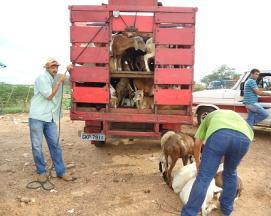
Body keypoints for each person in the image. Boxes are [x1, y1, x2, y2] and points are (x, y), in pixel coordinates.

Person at [181, 110, 254, 216]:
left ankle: (189, 213)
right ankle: (226, 209)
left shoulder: (208, 117)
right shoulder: (234, 116)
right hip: (245, 138)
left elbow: (197, 144)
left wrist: (198, 162)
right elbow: (231, 143)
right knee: (230, 173)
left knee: (204, 177)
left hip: (220, 135)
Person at [29, 58, 73, 183]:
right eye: (52, 67)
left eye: (56, 67)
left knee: (55, 145)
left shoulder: (56, 76)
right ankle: (41, 171)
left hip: (50, 117)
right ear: (46, 68)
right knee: (37, 146)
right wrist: (59, 82)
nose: (55, 69)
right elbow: (49, 96)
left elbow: (68, 79)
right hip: (37, 116)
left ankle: (61, 171)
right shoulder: (42, 78)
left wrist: (69, 70)